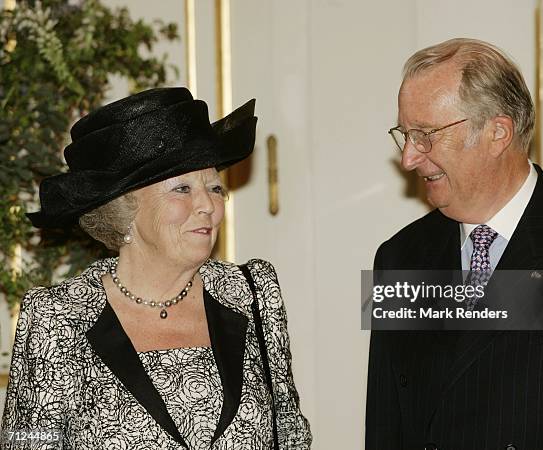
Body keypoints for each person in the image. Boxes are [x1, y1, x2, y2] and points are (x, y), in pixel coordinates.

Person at [1, 87, 312, 449]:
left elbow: (291, 437)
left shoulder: (253, 292)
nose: (208, 206)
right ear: (125, 210)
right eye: (182, 189)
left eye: (214, 188)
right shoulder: (58, 318)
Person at [366, 38, 543, 449]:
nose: (409, 157)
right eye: (405, 135)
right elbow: (386, 428)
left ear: (498, 133)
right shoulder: (399, 258)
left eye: (425, 135)